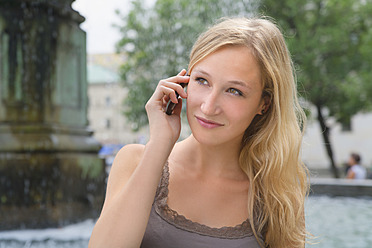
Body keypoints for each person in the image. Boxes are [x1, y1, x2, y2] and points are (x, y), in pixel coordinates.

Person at [89, 17, 309, 248]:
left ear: (264, 104)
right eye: (202, 80)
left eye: (234, 91)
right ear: (184, 81)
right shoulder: (134, 161)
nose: (208, 107)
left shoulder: (278, 193)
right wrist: (159, 144)